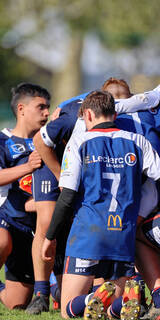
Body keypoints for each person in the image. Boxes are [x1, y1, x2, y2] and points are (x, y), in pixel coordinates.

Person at [42, 90, 160, 319]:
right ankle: (123, 303)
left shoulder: (79, 142)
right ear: (114, 114)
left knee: (68, 310)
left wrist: (50, 237)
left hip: (89, 232)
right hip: (122, 234)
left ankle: (90, 298)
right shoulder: (138, 141)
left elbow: (67, 196)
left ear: (87, 115)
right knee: (109, 311)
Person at [0, 82, 60, 311]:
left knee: (16, 303)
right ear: (21, 109)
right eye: (41, 107)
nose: (46, 112)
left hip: (34, 229)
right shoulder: (3, 141)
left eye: (48, 107)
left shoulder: (50, 142)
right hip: (6, 217)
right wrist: (27, 167)